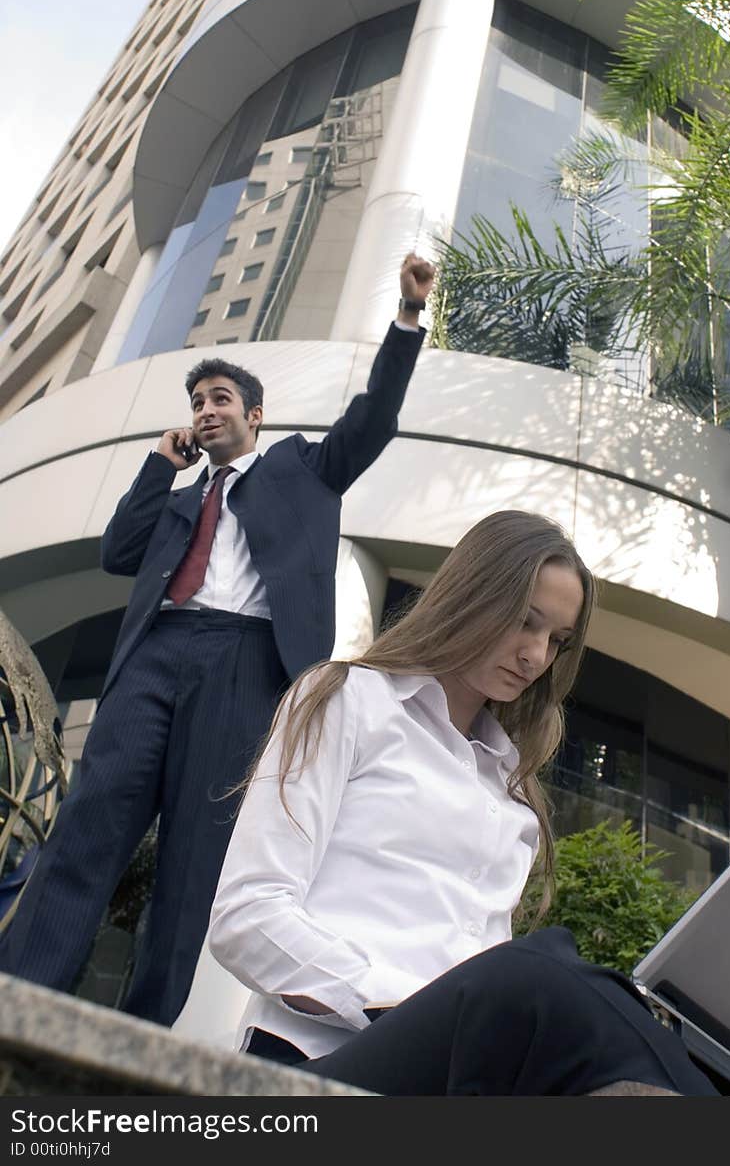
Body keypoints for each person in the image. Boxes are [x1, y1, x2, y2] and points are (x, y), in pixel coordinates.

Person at [0, 252, 436, 1027]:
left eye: (220, 397)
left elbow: (372, 421)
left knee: (194, 864)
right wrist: (157, 465)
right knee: (87, 827)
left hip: (245, 665)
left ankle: (137, 1041)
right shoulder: (181, 498)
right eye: (197, 400)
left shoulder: (301, 469)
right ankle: (20, 1002)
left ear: (254, 415)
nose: (206, 409)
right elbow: (117, 552)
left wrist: (405, 321)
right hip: (155, 659)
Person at [209, 511, 718, 1096]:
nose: (535, 656)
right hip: (316, 1061)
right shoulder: (349, 700)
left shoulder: (512, 793)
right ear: (472, 594)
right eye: (525, 622)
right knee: (544, 969)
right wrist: (400, 1003)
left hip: (461, 1073)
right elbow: (247, 915)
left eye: (556, 641)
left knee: (645, 1038)